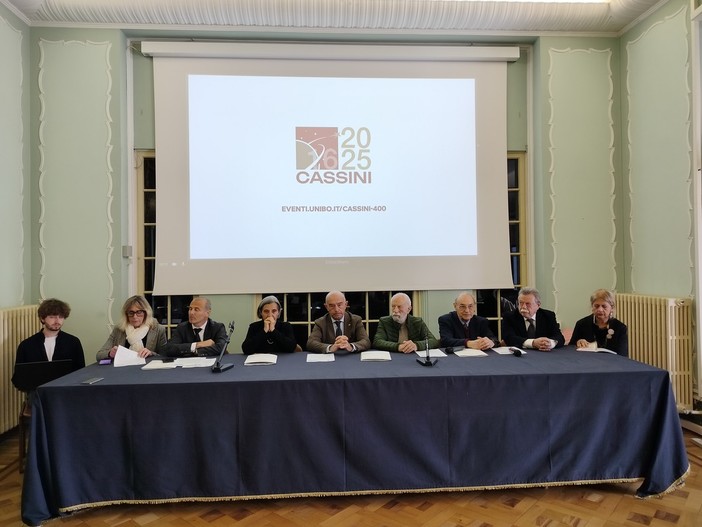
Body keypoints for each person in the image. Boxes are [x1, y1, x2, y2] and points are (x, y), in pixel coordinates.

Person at [12, 298, 85, 388]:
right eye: (52, 317)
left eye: (61, 317)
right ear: (42, 318)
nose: (57, 321)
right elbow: (18, 378)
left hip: (65, 390)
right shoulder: (26, 345)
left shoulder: (73, 342)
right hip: (37, 391)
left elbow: (80, 373)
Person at [96, 295, 168, 361]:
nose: (135, 317)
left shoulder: (158, 329)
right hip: (122, 368)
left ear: (146, 313)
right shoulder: (119, 329)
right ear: (126, 314)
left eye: (139, 312)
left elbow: (165, 356)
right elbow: (99, 355)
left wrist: (151, 353)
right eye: (131, 312)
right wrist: (110, 353)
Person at [501, 287, 565, 351]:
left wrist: (550, 343)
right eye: (521, 303)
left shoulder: (548, 316)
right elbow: (509, 338)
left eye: (527, 304)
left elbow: (559, 337)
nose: (523, 307)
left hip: (544, 353)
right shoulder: (510, 316)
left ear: (538, 305)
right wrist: (533, 343)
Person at [372, 292, 440, 353]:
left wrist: (416, 345)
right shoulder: (384, 321)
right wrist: (399, 347)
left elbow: (433, 341)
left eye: (399, 307)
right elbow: (377, 342)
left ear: (409, 309)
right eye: (393, 306)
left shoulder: (417, 322)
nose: (395, 310)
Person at [306, 291, 371, 353]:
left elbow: (366, 341)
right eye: (332, 306)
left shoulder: (355, 320)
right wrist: (330, 347)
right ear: (326, 307)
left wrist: (350, 346)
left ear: (345, 304)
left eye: (339, 305)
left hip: (350, 357)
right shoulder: (320, 322)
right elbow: (311, 343)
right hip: (330, 358)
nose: (336, 309)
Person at [569, 289, 629, 356]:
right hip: (586, 360)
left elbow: (622, 355)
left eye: (604, 306)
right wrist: (578, 342)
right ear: (592, 307)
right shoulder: (581, 324)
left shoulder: (620, 328)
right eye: (596, 306)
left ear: (611, 308)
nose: (600, 310)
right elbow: (570, 349)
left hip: (611, 361)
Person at [163, 296, 227, 357]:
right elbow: (169, 349)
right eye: (190, 309)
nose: (191, 313)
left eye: (196, 309)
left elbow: (221, 348)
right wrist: (197, 345)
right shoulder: (182, 328)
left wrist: (196, 351)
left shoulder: (217, 327)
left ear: (207, 313)